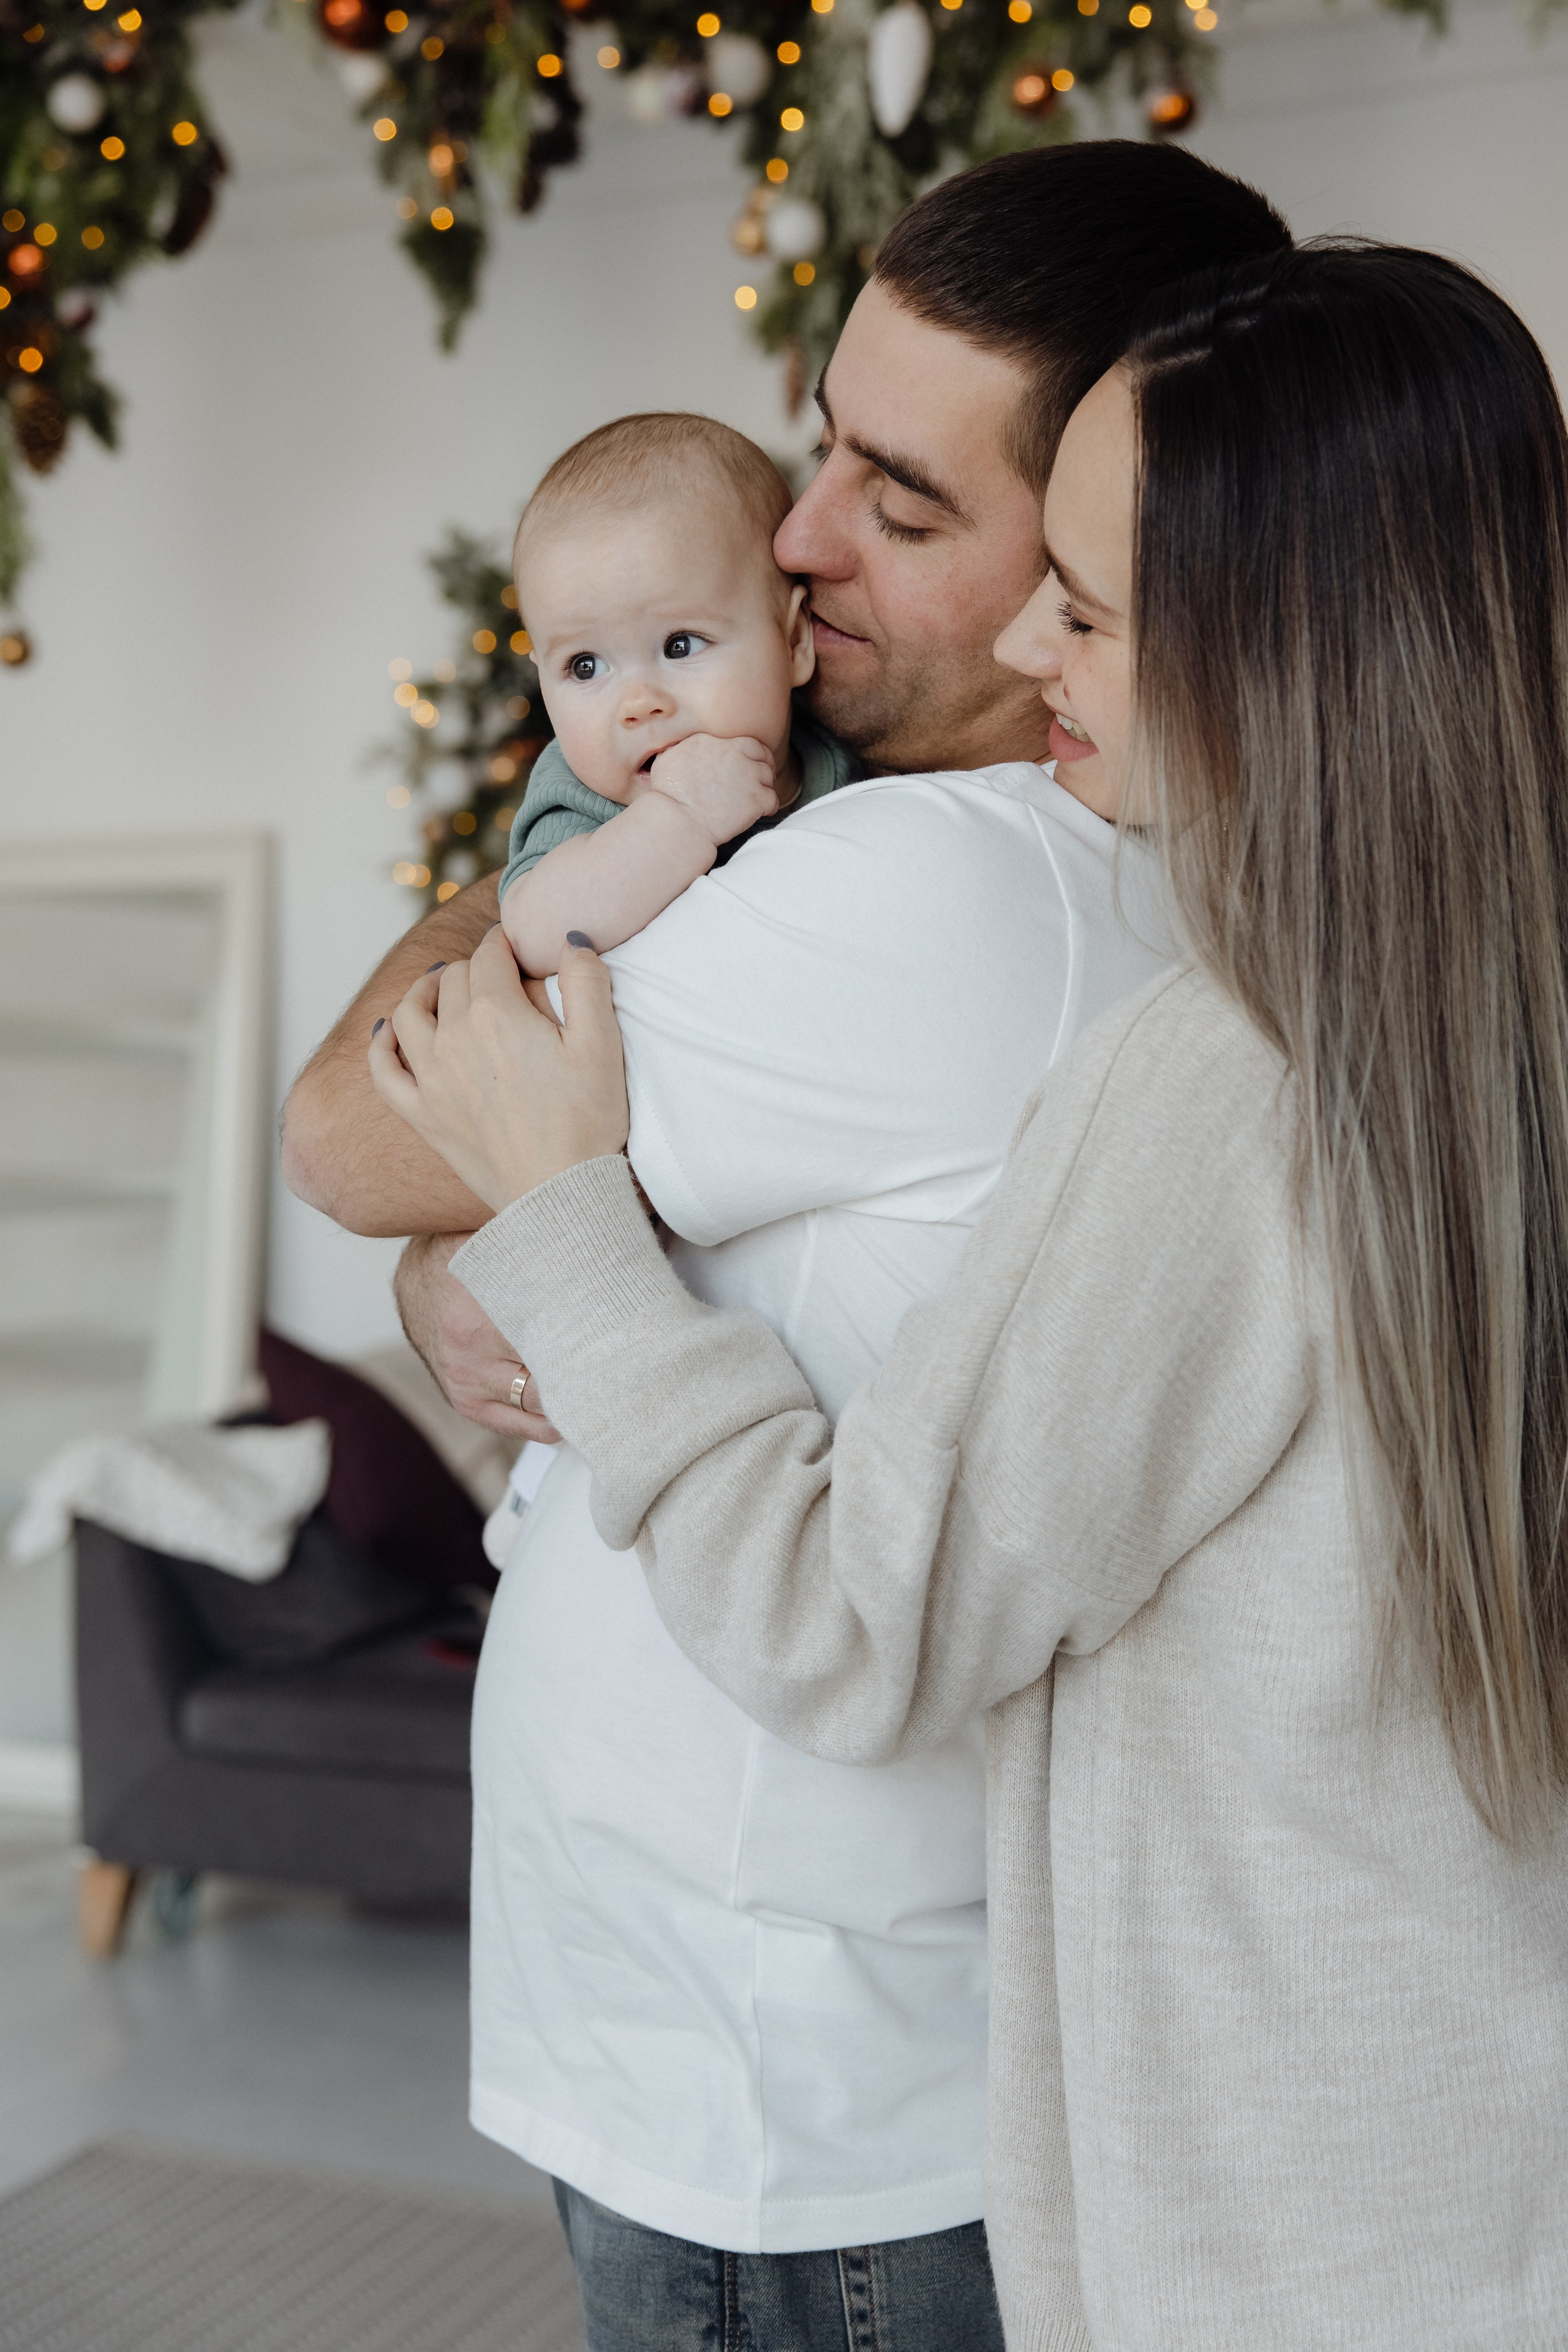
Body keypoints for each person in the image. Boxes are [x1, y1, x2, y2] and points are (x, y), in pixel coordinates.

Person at [368, 242, 1568, 2349]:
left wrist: (549, 1222)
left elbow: (860, 1625)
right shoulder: (1482, 1026)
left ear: (1284, 645)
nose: (1027, 646)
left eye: (1085, 606)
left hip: (1260, 2239)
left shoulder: (1225, 1080)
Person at [284, 145, 1291, 2350]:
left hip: (791, 2106)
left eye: (899, 505)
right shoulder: (942, 853)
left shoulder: (930, 882)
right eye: (820, 438)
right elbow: (474, 1212)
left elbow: (352, 1127)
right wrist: (461, 1255)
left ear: (1124, 550)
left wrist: (598, 825)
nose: (796, 532)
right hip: (755, 2047)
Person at [498, 413, 846, 980]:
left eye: (680, 645)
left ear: (794, 640)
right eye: (585, 666)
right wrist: (679, 818)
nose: (638, 704)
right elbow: (536, 936)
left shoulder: (839, 759)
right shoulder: (582, 800)